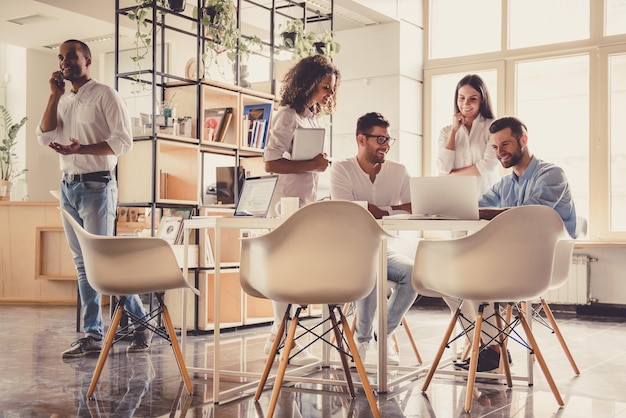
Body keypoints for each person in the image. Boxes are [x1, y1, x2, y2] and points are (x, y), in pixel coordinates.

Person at [36, 39, 153, 359]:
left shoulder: (105, 95)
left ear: (87, 59)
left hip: (98, 187)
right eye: (61, 57)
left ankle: (122, 326)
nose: (65, 62)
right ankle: (105, 331)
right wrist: (52, 95)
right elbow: (44, 135)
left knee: (99, 262)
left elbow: (123, 142)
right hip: (67, 188)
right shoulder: (62, 99)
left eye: (71, 56)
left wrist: (81, 150)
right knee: (84, 264)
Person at [455, 116, 577, 373]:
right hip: (509, 259)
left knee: (471, 275)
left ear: (523, 140)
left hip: (540, 264)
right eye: (495, 147)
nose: (500, 153)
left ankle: (489, 348)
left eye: (506, 144)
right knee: (449, 279)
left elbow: (526, 214)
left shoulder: (552, 174)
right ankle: (492, 349)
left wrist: (486, 213)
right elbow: (475, 207)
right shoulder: (504, 184)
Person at [262, 54, 341, 365]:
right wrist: (313, 164)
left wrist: (315, 165)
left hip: (303, 205)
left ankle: (280, 337)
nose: (329, 94)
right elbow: (270, 161)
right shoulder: (287, 115)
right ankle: (281, 337)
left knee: (297, 271)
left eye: (332, 88)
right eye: (325, 87)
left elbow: (303, 164)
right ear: (308, 84)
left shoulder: (311, 117)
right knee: (286, 271)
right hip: (286, 205)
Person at [329, 112, 417, 365]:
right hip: (348, 249)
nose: (386, 145)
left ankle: (383, 334)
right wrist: (383, 209)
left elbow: (415, 205)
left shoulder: (398, 171)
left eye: (389, 139)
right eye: (380, 139)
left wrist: (381, 210)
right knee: (372, 268)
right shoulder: (342, 169)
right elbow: (349, 210)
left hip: (382, 247)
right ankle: (362, 340)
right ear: (361, 139)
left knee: (413, 273)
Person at [437, 74, 499, 195]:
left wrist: (451, 176)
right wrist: (454, 131)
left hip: (486, 198)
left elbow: (488, 165)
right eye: (462, 98)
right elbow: (443, 167)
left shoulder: (492, 127)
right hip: (455, 198)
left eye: (473, 98)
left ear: (482, 100)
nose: (466, 103)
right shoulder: (446, 131)